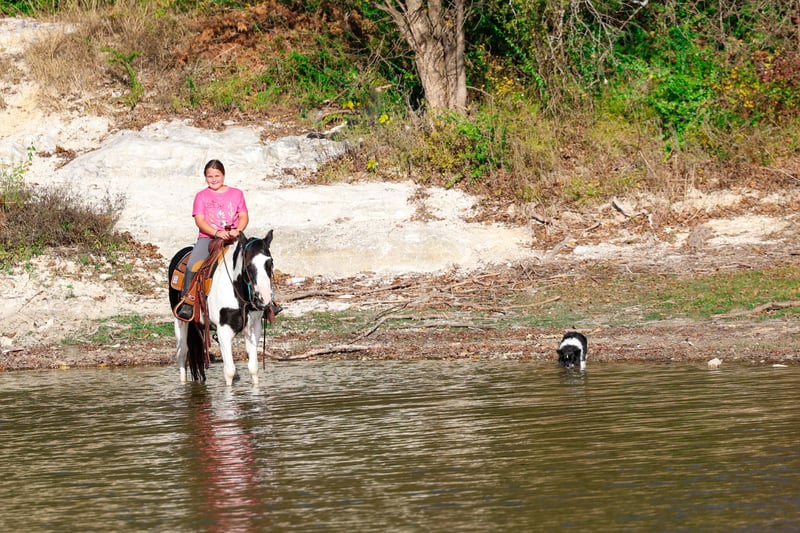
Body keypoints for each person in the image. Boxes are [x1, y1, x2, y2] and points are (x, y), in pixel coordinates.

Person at [175, 159, 249, 320]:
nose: (214, 179)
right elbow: (200, 221)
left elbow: (243, 216)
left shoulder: (237, 193)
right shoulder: (201, 196)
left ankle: (266, 301)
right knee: (193, 264)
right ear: (205, 177)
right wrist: (216, 232)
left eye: (217, 176)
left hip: (234, 236)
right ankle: (188, 301)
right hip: (209, 238)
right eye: (210, 176)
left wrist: (238, 230)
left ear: (223, 175)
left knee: (256, 259)